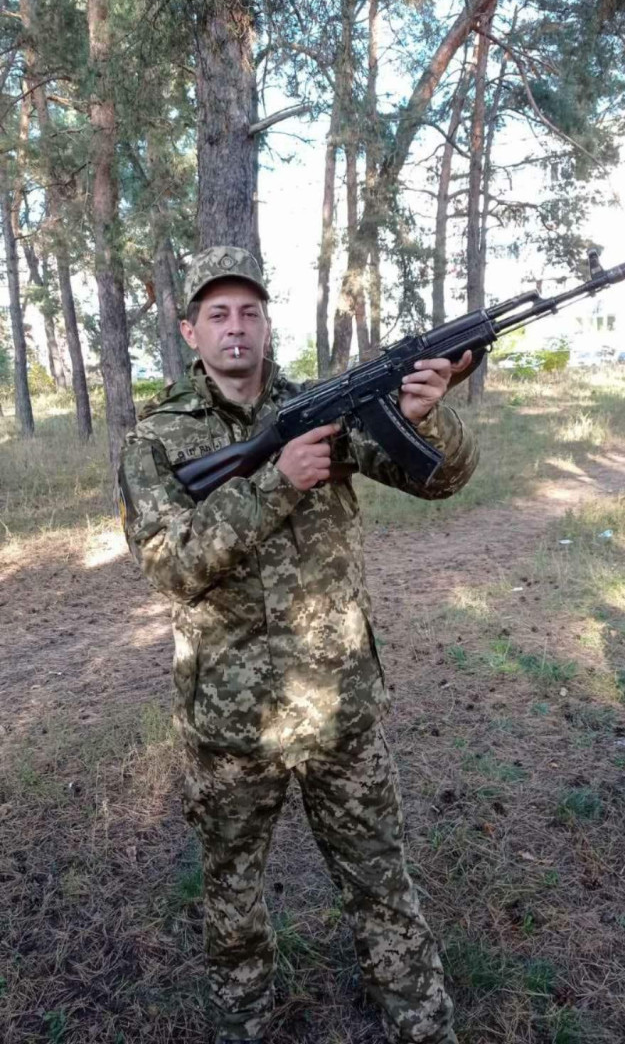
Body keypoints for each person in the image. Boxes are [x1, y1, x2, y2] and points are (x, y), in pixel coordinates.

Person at [118, 246, 478, 1044]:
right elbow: (171, 565)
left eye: (249, 310)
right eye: (218, 313)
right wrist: (277, 482)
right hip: (230, 725)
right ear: (190, 330)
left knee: (381, 882)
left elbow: (435, 477)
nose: (236, 326)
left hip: (339, 707)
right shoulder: (156, 439)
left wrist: (429, 415)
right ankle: (246, 1022)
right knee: (233, 897)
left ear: (266, 322)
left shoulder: (325, 408)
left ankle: (422, 1023)